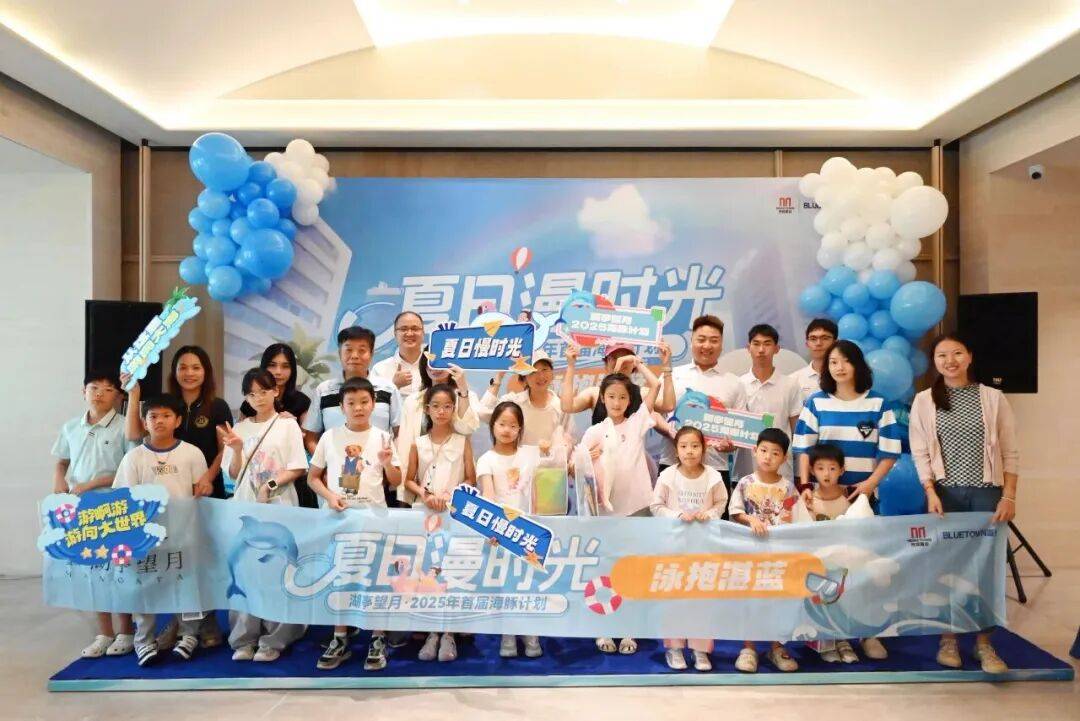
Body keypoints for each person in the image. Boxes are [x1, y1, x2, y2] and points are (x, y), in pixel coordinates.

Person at [910, 333, 1019, 675]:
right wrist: (930, 491)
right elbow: (920, 453)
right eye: (942, 355)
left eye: (957, 353)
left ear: (970, 356)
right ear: (934, 362)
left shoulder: (993, 398)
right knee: (948, 567)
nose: (950, 361)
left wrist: (1009, 495)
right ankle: (949, 640)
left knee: (986, 568)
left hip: (987, 494)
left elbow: (1011, 451)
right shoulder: (924, 400)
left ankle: (984, 643)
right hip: (945, 495)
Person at [791, 339, 900, 661]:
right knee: (826, 569)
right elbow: (803, 447)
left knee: (864, 568)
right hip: (823, 500)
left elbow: (890, 452)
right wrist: (805, 485)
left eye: (845, 361)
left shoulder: (878, 404)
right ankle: (829, 635)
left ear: (858, 365)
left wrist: (869, 485)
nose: (839, 367)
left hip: (862, 500)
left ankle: (868, 634)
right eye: (833, 362)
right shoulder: (816, 403)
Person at [123, 346, 229, 649]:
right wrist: (134, 394)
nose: (189, 373)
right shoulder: (163, 403)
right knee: (171, 562)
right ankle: (176, 624)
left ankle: (207, 621)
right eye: (183, 367)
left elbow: (224, 449)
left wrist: (207, 478)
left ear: (206, 371)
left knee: (202, 560)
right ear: (174, 371)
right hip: (169, 497)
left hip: (205, 492)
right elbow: (133, 435)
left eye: (196, 367)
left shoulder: (217, 406)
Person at [577, 342, 671, 656]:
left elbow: (655, 385)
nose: (617, 402)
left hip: (638, 509)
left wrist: (639, 363)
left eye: (622, 397)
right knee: (605, 569)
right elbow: (574, 469)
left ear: (630, 400)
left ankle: (630, 627)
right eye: (611, 397)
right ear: (602, 399)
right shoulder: (595, 432)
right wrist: (584, 459)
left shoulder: (638, 421)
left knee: (633, 570)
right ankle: (603, 627)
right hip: (606, 514)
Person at [307, 377, 402, 672]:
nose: (358, 408)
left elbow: (396, 480)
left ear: (373, 404)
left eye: (364, 402)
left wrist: (387, 462)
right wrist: (330, 496)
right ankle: (340, 638)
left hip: (375, 520)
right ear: (341, 407)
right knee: (341, 577)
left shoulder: (383, 437)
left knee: (375, 578)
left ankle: (377, 638)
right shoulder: (329, 437)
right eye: (351, 403)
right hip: (340, 520)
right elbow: (312, 478)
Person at [112, 394, 209, 666]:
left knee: (186, 583)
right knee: (144, 586)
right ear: (144, 422)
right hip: (146, 538)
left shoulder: (192, 453)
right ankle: (144, 640)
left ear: (178, 420)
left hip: (183, 534)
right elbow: (123, 498)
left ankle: (189, 635)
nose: (159, 421)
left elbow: (201, 492)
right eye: (153, 416)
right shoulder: (134, 458)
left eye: (166, 415)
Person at [220, 369, 309, 663]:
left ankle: (275, 638)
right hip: (246, 510)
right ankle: (243, 639)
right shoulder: (240, 428)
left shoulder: (287, 425)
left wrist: (269, 485)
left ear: (275, 392)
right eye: (251, 393)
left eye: (263, 391)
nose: (258, 398)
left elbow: (298, 466)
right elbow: (233, 474)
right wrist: (236, 449)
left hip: (279, 509)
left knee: (277, 571)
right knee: (245, 573)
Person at [52, 370, 136, 659]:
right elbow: (62, 461)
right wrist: (59, 479)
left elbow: (129, 468)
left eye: (108, 389)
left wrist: (92, 483)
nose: (99, 393)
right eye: (94, 387)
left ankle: (126, 631)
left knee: (119, 569)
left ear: (119, 396)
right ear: (83, 391)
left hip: (115, 506)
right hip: (82, 508)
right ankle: (104, 633)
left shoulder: (124, 427)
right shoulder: (71, 427)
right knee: (93, 570)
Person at [649, 426, 727, 671]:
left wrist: (710, 514)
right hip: (674, 548)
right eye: (683, 446)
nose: (689, 451)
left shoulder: (713, 476)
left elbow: (721, 502)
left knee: (701, 600)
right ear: (676, 450)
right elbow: (656, 505)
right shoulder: (667, 476)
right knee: (674, 600)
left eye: (695, 446)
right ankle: (674, 649)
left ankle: (700, 650)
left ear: (703, 449)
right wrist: (677, 515)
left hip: (704, 548)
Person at [475, 401, 546, 660]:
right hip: (502, 532)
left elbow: (544, 482)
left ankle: (531, 633)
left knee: (529, 584)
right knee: (506, 585)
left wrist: (551, 447)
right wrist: (494, 529)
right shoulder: (486, 459)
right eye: (502, 424)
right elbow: (488, 495)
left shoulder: (530, 454)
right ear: (493, 425)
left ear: (520, 429)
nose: (506, 430)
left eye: (513, 425)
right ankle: (508, 634)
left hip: (529, 531)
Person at [304, 327, 402, 510]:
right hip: (334, 486)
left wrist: (388, 467)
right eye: (348, 349)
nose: (355, 356)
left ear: (371, 354)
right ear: (340, 353)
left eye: (362, 350)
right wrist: (327, 465)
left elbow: (399, 433)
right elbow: (311, 437)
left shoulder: (388, 389)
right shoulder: (324, 390)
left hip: (377, 482)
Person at [728, 428, 799, 673]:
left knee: (778, 600)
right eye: (764, 450)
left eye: (775, 453)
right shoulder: (745, 483)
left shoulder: (788, 487)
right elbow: (735, 511)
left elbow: (794, 516)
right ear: (755, 451)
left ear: (784, 458)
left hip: (778, 556)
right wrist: (751, 520)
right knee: (750, 600)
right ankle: (748, 649)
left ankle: (776, 647)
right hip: (750, 554)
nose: (768, 457)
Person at [655, 315, 746, 480]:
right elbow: (653, 413)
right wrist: (670, 431)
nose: (707, 345)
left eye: (714, 340)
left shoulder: (734, 383)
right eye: (701, 339)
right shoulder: (671, 375)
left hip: (716, 468)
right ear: (691, 341)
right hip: (672, 464)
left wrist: (731, 445)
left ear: (721, 345)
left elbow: (740, 430)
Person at [804, 443, 863, 664]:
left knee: (845, 602)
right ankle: (825, 643)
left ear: (842, 470)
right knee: (822, 602)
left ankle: (844, 641)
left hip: (845, 563)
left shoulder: (851, 495)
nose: (826, 474)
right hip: (818, 565)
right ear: (812, 470)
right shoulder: (808, 499)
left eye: (832, 468)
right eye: (820, 468)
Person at [237, 343, 316, 506]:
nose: (278, 372)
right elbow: (243, 444)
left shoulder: (301, 401)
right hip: (251, 488)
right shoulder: (248, 406)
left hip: (290, 483)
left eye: (285, 366)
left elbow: (307, 443)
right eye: (272, 365)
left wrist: (294, 428)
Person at [395, 356, 480, 506]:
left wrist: (463, 390)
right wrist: (404, 490)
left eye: (440, 363)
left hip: (455, 477)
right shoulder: (413, 400)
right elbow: (405, 443)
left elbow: (467, 428)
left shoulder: (465, 395)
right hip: (422, 488)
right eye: (430, 363)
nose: (435, 368)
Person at [736, 324, 803, 479]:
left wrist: (801, 472)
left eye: (767, 344)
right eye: (756, 344)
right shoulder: (738, 384)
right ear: (748, 347)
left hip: (782, 471)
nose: (761, 350)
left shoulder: (790, 385)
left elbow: (797, 432)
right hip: (747, 469)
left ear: (777, 348)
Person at [481, 350, 573, 448]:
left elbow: (567, 439)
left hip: (549, 458)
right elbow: (482, 413)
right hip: (517, 458)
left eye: (544, 369)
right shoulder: (514, 403)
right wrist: (498, 378)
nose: (541, 376)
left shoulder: (561, 407)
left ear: (552, 373)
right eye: (533, 371)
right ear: (524, 378)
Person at [559, 342, 641, 424]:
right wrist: (571, 365)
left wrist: (640, 365)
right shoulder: (594, 393)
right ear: (606, 363)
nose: (620, 361)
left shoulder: (643, 394)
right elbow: (567, 407)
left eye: (626, 358)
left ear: (633, 363)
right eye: (614, 357)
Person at [371, 311, 426, 400]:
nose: (409, 333)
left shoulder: (434, 368)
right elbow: (374, 404)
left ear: (423, 333)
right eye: (403, 329)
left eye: (415, 329)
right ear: (395, 334)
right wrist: (394, 385)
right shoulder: (380, 369)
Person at [789, 319, 838, 405]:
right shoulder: (793, 380)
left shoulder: (845, 377)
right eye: (813, 339)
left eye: (825, 338)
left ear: (835, 343)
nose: (818, 343)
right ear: (807, 344)